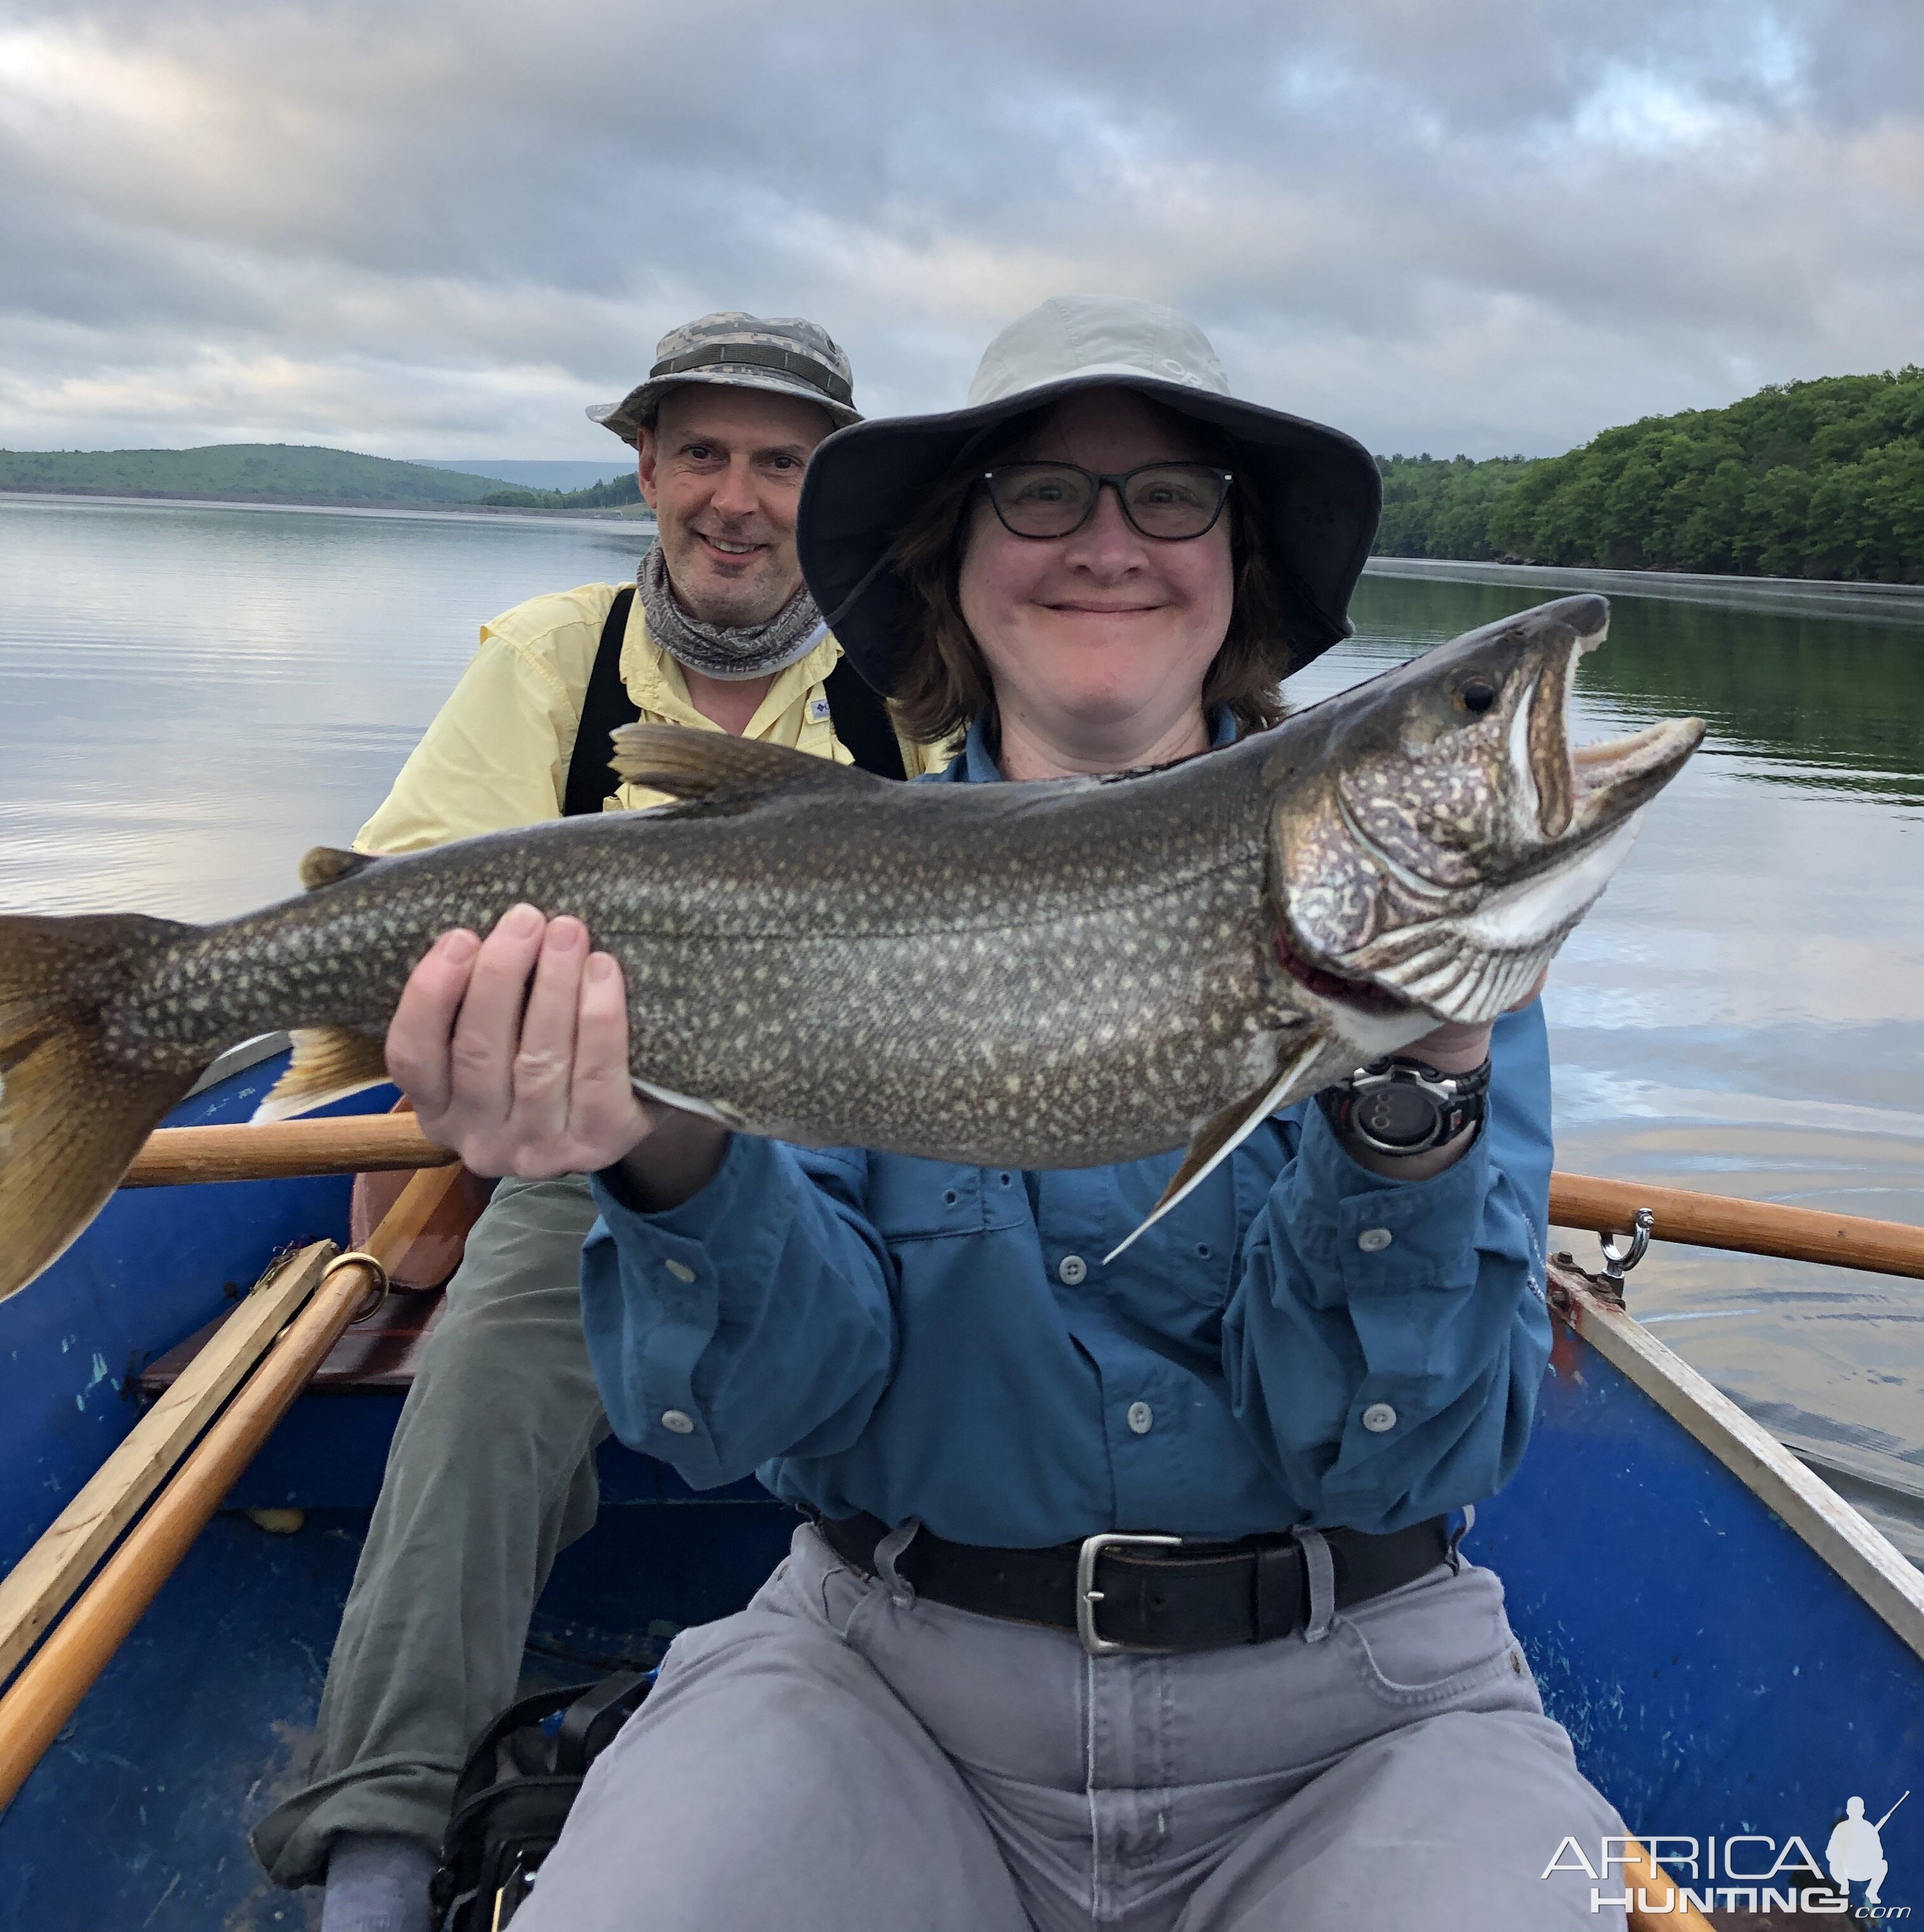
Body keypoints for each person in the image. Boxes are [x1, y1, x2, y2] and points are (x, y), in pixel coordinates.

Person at [380, 295, 1629, 1928]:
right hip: (881, 1688)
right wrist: (666, 1153)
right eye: (1040, 494)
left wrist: (1408, 1105)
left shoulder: (1448, 968)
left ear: (1237, 560)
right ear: (951, 559)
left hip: (1368, 1720)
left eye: (1171, 496)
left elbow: (1408, 1456)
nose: (1108, 542)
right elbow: (746, 1422)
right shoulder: (826, 891)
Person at [253, 312, 932, 1932]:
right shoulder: (551, 656)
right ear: (643, 465)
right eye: (701, 452)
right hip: (597, 1147)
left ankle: (948, 1729)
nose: (736, 497)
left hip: (898, 1144)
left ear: (833, 489)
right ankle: (379, 1847)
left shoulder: (920, 676)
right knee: (489, 1367)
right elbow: (397, 912)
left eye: (784, 462)